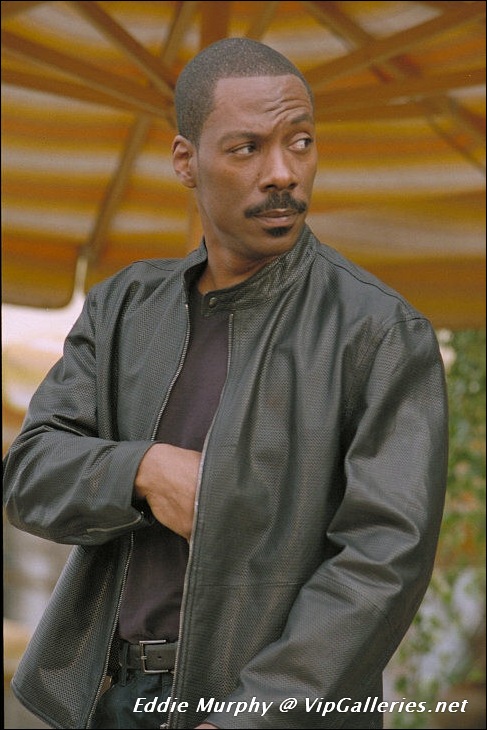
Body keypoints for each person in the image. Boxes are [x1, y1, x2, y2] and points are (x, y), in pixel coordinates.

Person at [3, 37, 448, 730]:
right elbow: (29, 475)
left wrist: (249, 716)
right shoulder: (123, 307)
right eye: (247, 148)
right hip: (110, 699)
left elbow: (382, 562)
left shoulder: (379, 332)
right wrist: (144, 469)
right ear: (186, 161)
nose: (283, 173)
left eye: (300, 142)